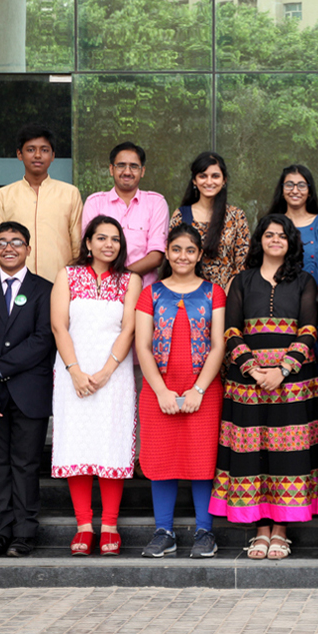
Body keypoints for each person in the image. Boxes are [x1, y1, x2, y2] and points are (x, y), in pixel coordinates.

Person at [209, 215, 318, 559]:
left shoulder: (305, 281)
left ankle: (281, 531)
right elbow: (231, 331)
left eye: (282, 235)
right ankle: (260, 531)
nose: (275, 240)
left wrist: (282, 370)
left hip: (294, 384)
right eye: (269, 234)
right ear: (259, 240)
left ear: (291, 243)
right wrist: (253, 369)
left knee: (288, 457)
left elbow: (309, 330)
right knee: (254, 455)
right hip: (248, 384)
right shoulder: (242, 281)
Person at [50, 216, 142, 556]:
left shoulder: (130, 280)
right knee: (77, 444)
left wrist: (106, 371)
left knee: (110, 443)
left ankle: (110, 526)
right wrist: (75, 371)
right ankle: (84, 525)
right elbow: (59, 326)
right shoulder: (67, 275)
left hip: (114, 375)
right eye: (101, 238)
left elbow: (129, 329)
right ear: (88, 242)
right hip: (72, 373)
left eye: (115, 239)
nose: (108, 244)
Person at [135, 224, 226, 559]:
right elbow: (143, 346)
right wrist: (161, 391)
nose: (182, 256)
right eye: (176, 249)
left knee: (203, 459)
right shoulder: (151, 293)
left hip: (204, 390)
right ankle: (164, 531)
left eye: (190, 250)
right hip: (158, 389)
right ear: (167, 253)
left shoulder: (214, 292)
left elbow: (218, 345)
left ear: (199, 255)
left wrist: (198, 389)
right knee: (161, 460)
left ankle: (205, 531)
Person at [0, 222, 56, 558]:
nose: (9, 247)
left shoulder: (44, 290)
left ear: (28, 249)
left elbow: (42, 341)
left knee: (26, 464)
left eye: (17, 242)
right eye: (1, 242)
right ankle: (0, 532)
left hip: (30, 392)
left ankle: (25, 533)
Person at [0, 124, 82, 282]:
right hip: (15, 284)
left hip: (60, 284)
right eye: (31, 150)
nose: (38, 155)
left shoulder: (70, 193)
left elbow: (78, 246)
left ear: (52, 155)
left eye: (44, 150)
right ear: (20, 154)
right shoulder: (3, 196)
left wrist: (75, 283)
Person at [82, 141, 170, 290]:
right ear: (111, 169)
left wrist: (116, 279)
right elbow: (88, 249)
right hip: (100, 292)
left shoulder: (156, 203)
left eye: (134, 166)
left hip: (144, 293)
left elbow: (156, 257)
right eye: (121, 165)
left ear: (142, 171)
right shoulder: (94, 202)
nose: (127, 172)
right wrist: (108, 282)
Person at [170, 151, 250, 289]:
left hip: (228, 294)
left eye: (215, 176)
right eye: (203, 176)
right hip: (189, 294)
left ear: (224, 180)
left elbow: (243, 263)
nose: (209, 182)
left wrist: (228, 294)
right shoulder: (181, 216)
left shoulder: (236, 216)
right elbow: (173, 258)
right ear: (194, 180)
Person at [266, 164, 318, 283]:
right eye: (289, 185)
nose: (295, 191)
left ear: (309, 192)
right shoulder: (271, 223)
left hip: (314, 292)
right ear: (282, 190)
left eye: (302, 186)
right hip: (276, 290)